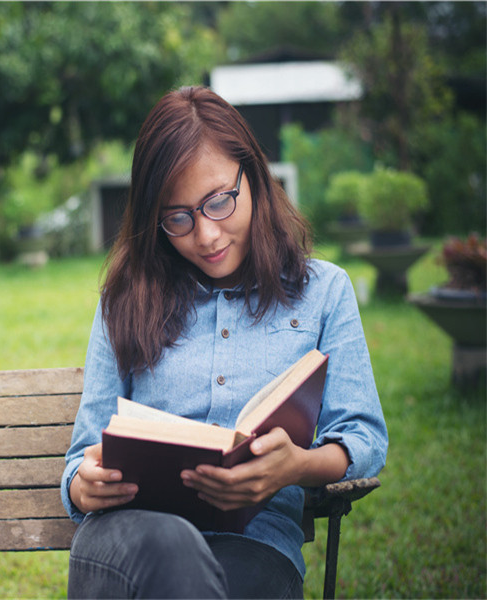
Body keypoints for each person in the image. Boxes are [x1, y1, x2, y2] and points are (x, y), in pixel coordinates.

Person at [60, 86, 388, 599]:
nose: (207, 235)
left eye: (219, 202)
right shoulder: (125, 300)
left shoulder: (323, 291)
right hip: (129, 541)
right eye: (179, 218)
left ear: (253, 177)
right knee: (170, 551)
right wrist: (84, 483)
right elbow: (84, 456)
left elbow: (363, 439)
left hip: (256, 546)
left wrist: (296, 467)